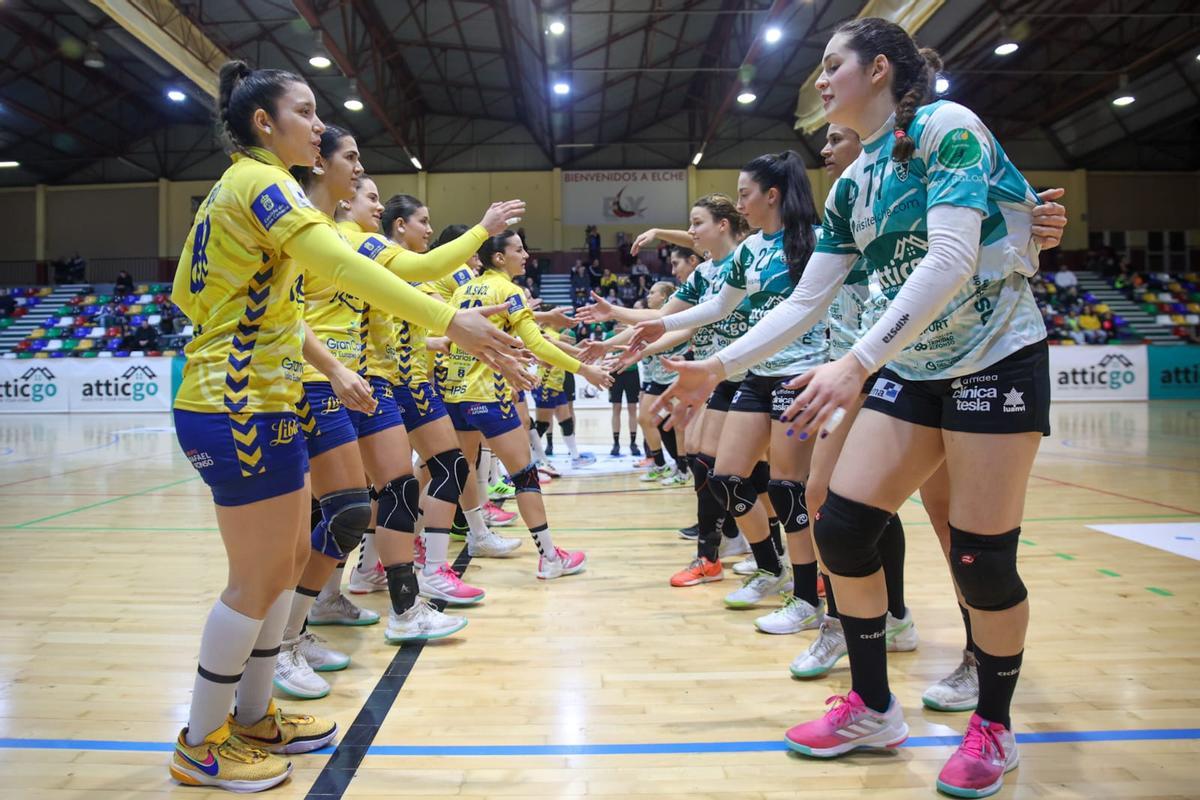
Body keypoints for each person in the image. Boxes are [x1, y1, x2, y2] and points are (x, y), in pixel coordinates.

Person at [655, 19, 1053, 797]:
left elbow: (952, 255)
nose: (821, 81)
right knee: (840, 526)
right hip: (915, 368)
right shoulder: (852, 185)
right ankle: (873, 707)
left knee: (981, 557)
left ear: (879, 70)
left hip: (996, 359)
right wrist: (719, 364)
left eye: (831, 65)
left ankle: (995, 727)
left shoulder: (947, 129)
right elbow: (809, 299)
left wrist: (858, 360)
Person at [168, 59, 522, 792]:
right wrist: (449, 319)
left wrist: (320, 364)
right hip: (237, 402)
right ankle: (202, 739)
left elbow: (197, 296)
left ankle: (257, 714)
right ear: (265, 124)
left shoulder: (242, 190)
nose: (322, 124)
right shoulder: (261, 182)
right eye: (307, 111)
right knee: (257, 577)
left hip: (260, 397)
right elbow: (341, 262)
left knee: (290, 554)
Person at [440, 231, 614, 578]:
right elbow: (536, 344)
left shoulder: (462, 290)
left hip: (454, 393)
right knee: (525, 474)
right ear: (499, 257)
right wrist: (585, 370)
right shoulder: (509, 291)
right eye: (518, 249)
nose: (526, 254)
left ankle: (475, 536)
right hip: (488, 393)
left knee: (464, 470)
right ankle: (550, 557)